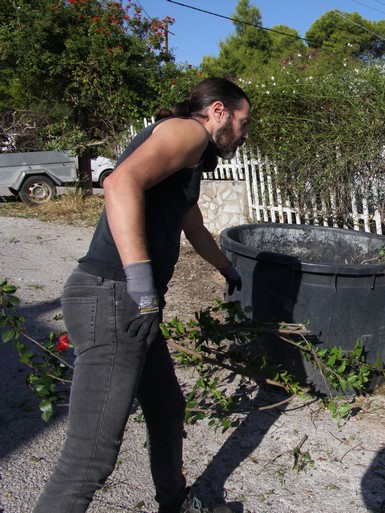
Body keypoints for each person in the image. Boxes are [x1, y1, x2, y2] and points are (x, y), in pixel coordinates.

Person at [34, 77, 250, 513]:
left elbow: (193, 227)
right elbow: (118, 183)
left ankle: (175, 503)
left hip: (127, 302)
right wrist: (140, 283)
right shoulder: (186, 132)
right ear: (219, 111)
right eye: (243, 122)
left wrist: (229, 269)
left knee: (168, 408)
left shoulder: (185, 159)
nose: (244, 134)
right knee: (89, 458)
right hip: (115, 297)